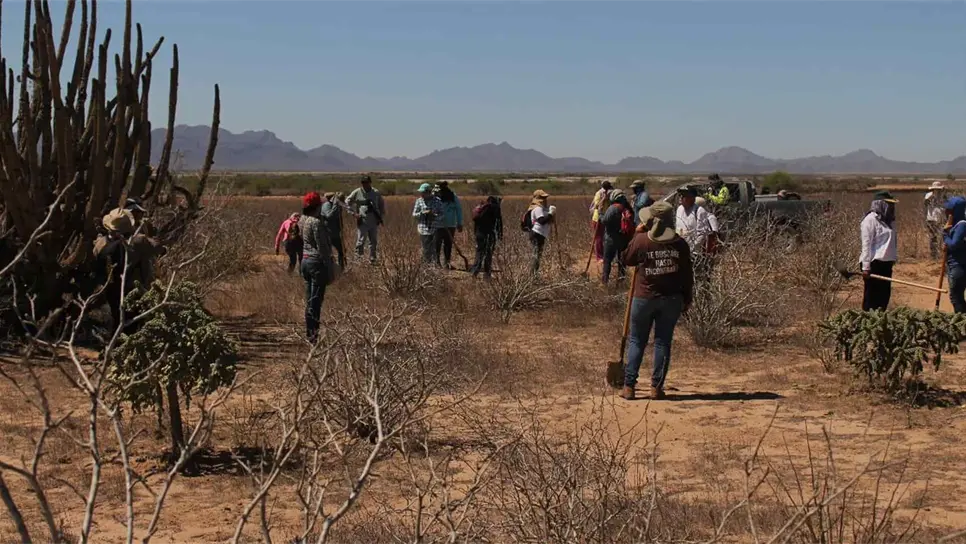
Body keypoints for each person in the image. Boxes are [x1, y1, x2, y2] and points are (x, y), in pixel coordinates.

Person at [619, 202, 694, 401]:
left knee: (637, 340)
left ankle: (629, 386)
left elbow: (626, 259)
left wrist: (635, 235)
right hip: (671, 299)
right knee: (662, 342)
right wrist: (687, 298)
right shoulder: (680, 244)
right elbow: (687, 275)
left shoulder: (642, 240)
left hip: (643, 298)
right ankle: (656, 388)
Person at [93, 208, 166, 332]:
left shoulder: (100, 244)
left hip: (111, 291)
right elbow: (159, 249)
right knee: (136, 324)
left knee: (116, 322)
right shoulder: (139, 241)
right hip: (135, 290)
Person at [298, 191, 335, 343]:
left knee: (310, 300)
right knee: (316, 302)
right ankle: (313, 336)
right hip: (316, 263)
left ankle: (309, 333)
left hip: (305, 261)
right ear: (317, 206)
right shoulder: (316, 222)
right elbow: (323, 247)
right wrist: (330, 266)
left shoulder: (302, 220)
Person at [859, 191, 898, 312]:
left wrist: (893, 258)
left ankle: (880, 320)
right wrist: (866, 267)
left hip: (886, 264)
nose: (891, 207)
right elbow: (866, 245)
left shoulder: (890, 222)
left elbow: (893, 241)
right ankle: (868, 320)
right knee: (872, 298)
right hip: (874, 264)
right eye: (888, 204)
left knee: (884, 297)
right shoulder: (870, 220)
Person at [346, 175, 385, 265]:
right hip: (362, 221)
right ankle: (358, 260)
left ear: (370, 182)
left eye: (366, 182)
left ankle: (373, 259)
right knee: (361, 241)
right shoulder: (357, 192)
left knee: (373, 241)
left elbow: (381, 205)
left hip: (374, 221)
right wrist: (353, 213)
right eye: (363, 182)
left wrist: (380, 217)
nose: (365, 184)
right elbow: (347, 202)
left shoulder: (376, 192)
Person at [600, 189, 634, 284]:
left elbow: (605, 221)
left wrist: (600, 214)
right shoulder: (628, 208)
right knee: (621, 261)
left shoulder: (613, 208)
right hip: (624, 239)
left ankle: (604, 282)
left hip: (611, 239)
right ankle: (621, 281)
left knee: (607, 261)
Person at [470, 195, 503, 278]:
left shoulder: (482, 208)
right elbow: (499, 223)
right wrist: (500, 235)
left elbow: (476, 221)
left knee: (479, 253)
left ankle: (474, 272)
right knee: (488, 254)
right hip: (489, 234)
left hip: (479, 233)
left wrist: (476, 233)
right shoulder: (495, 208)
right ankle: (487, 274)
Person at [433, 181, 464, 269]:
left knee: (448, 244)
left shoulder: (452, 196)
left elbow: (458, 209)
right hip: (438, 224)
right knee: (437, 244)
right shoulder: (435, 197)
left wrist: (460, 223)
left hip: (450, 225)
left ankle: (447, 263)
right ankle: (437, 262)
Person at [944, 196, 966, 313]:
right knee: (957, 297)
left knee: (956, 298)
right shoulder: (956, 225)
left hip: (959, 266)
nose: (946, 213)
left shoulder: (962, 225)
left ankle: (961, 320)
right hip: (955, 265)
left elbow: (953, 244)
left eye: (948, 210)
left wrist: (945, 234)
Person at [412, 183, 443, 265]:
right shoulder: (419, 201)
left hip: (434, 228)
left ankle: (434, 264)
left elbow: (442, 214)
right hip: (423, 228)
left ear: (428, 192)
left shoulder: (437, 201)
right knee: (425, 248)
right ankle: (425, 264)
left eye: (423, 192)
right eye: (421, 192)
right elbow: (414, 215)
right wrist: (422, 213)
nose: (421, 194)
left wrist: (434, 216)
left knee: (434, 248)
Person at [675, 187, 712, 253]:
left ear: (692, 198)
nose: (681, 198)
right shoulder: (679, 209)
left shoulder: (699, 211)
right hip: (679, 250)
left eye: (684, 196)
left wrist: (691, 250)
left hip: (693, 252)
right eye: (680, 195)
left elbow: (702, 235)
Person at [528, 189, 555, 274]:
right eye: (543, 198)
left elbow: (548, 221)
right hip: (537, 233)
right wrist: (550, 213)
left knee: (538, 255)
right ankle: (533, 275)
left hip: (541, 234)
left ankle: (534, 274)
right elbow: (542, 221)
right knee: (536, 255)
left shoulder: (543, 209)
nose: (545, 200)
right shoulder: (537, 209)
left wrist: (551, 215)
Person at [321, 193, 347, 271]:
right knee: (328, 253)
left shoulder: (337, 206)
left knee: (342, 251)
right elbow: (329, 216)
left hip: (336, 234)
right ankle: (329, 270)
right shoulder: (326, 205)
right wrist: (335, 206)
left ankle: (341, 269)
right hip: (328, 233)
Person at [590, 180, 612, 261]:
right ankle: (599, 257)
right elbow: (596, 206)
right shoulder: (599, 193)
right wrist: (604, 199)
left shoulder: (610, 193)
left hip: (606, 218)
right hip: (597, 218)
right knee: (599, 237)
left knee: (606, 237)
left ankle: (605, 254)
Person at [925, 181, 947, 260]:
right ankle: (934, 255)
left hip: (941, 219)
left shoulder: (943, 196)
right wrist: (932, 196)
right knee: (933, 237)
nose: (937, 190)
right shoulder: (928, 195)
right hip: (931, 219)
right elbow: (925, 203)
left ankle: (942, 253)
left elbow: (946, 205)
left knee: (942, 236)